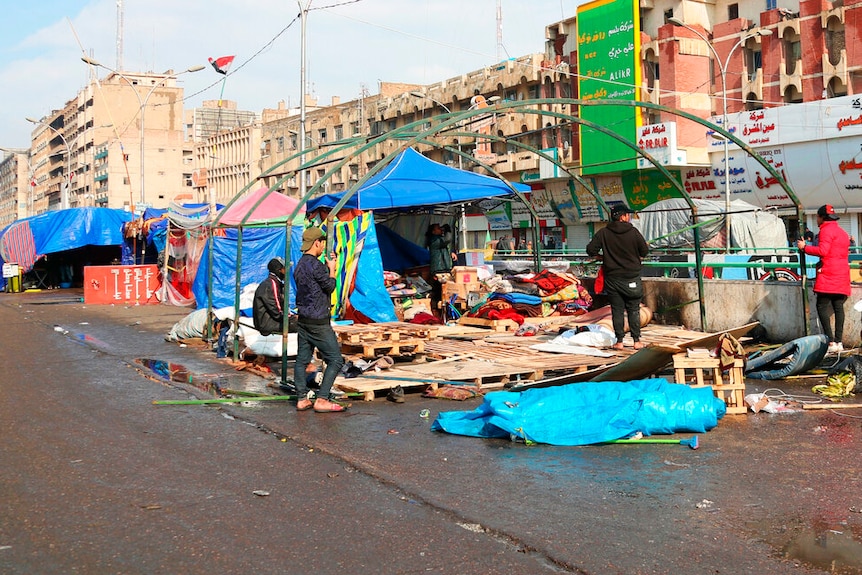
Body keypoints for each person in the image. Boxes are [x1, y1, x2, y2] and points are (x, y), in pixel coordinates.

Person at [292, 227, 346, 413]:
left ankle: (301, 398)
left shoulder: (299, 265)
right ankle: (322, 399)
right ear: (317, 243)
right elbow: (329, 287)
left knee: (302, 359)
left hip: (304, 318)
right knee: (336, 360)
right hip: (318, 321)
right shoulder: (316, 266)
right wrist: (331, 269)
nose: (323, 246)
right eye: (322, 243)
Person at [586, 204, 650, 350]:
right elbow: (644, 251)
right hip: (632, 278)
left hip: (612, 279)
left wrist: (602, 257)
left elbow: (590, 250)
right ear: (622, 217)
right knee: (634, 309)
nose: (629, 217)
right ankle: (636, 341)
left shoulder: (604, 232)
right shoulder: (633, 232)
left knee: (617, 310)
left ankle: (619, 341)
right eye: (627, 215)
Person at [796, 204, 851, 354]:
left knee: (821, 306)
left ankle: (831, 341)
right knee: (838, 307)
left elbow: (823, 251)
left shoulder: (826, 231)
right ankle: (839, 342)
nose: (817, 220)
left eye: (818, 217)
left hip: (829, 274)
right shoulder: (842, 232)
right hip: (842, 274)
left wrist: (804, 247)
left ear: (821, 217)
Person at [253, 257, 287, 336]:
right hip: (267, 323)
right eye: (284, 269)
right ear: (279, 270)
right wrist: (290, 317)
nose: (286, 272)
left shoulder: (275, 282)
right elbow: (276, 311)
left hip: (268, 321)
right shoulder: (272, 284)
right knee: (301, 325)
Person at [426, 223, 455, 314]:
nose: (440, 229)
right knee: (438, 292)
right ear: (433, 231)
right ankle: (436, 311)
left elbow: (445, 249)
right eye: (438, 228)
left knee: (444, 291)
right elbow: (447, 240)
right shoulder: (434, 240)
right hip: (438, 270)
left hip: (443, 269)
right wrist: (448, 231)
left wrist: (451, 254)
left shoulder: (439, 241)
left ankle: (442, 312)